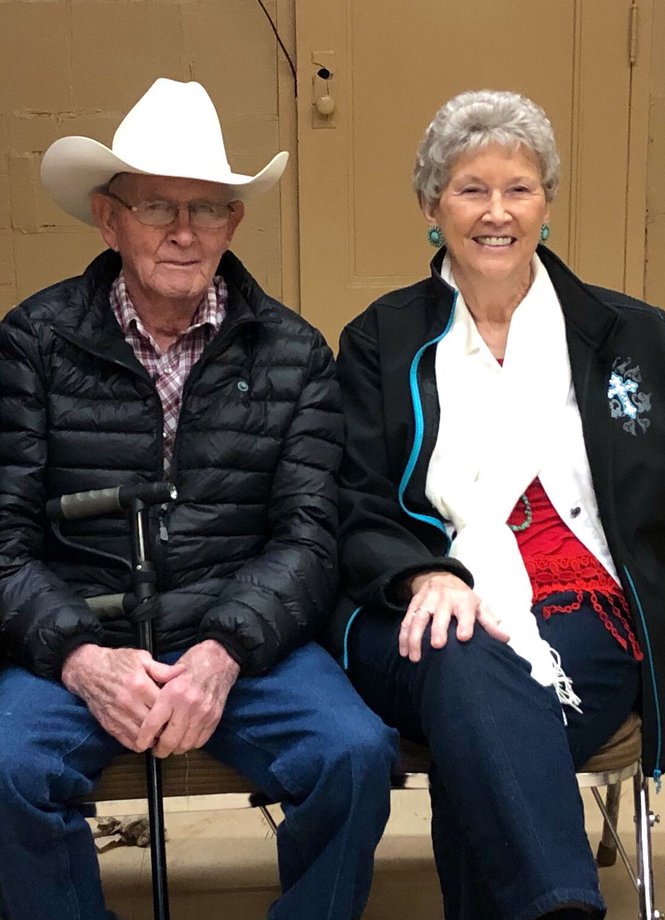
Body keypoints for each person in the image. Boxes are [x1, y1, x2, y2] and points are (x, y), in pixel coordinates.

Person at [333, 89, 665, 920]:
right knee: (464, 652)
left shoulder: (625, 332)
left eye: (520, 188)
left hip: (587, 607)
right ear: (433, 206)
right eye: (472, 189)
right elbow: (354, 497)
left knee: (481, 722)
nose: (497, 212)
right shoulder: (381, 338)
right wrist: (425, 576)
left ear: (546, 203)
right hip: (411, 606)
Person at [0, 78, 397, 920]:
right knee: (5, 769)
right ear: (109, 219)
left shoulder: (293, 353)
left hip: (240, 641)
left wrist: (222, 651)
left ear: (233, 223)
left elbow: (309, 537)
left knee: (353, 755)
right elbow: (3, 539)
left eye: (207, 209)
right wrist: (81, 657)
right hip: (84, 641)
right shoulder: (33, 344)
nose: (183, 232)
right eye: (155, 208)